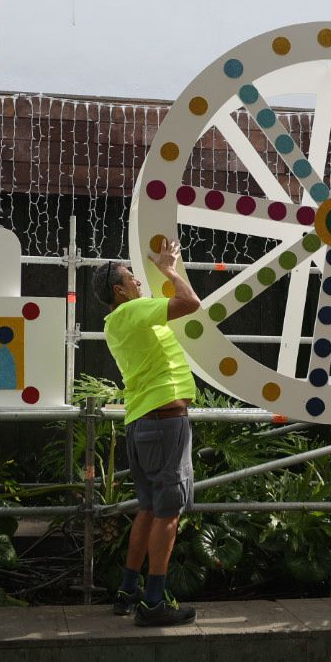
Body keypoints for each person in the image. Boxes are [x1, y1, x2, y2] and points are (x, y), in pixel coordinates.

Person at [92, 239, 201, 627]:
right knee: (168, 512)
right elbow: (190, 303)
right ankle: (154, 602)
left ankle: (127, 591)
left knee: (149, 508)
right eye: (132, 278)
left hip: (141, 422)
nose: (139, 281)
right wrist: (170, 270)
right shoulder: (135, 310)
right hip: (165, 421)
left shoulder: (115, 322)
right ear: (119, 291)